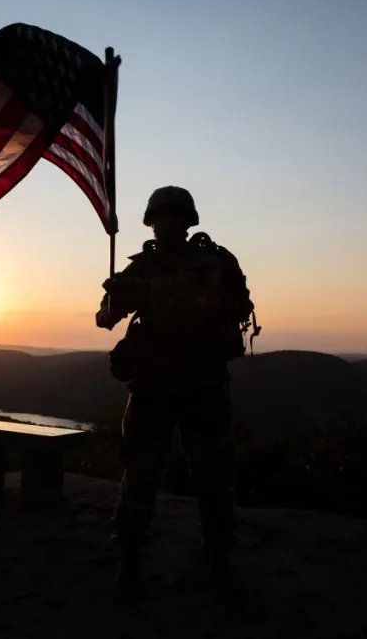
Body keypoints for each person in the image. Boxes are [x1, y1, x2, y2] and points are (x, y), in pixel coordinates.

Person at [95, 186, 255, 594]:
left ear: (187, 221)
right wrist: (115, 298)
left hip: (203, 382)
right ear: (151, 221)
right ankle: (129, 559)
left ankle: (219, 558)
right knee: (140, 473)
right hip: (154, 384)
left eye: (173, 216)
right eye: (161, 216)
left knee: (213, 476)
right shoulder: (141, 268)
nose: (167, 223)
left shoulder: (215, 263)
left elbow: (238, 307)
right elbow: (105, 319)